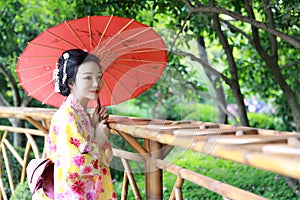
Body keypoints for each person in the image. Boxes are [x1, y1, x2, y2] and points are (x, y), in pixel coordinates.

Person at [32, 49, 117, 200]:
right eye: (87, 78)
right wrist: (99, 139)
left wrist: (94, 124)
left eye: (99, 77)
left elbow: (106, 158)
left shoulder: (81, 114)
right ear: (71, 82)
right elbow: (75, 167)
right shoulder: (67, 117)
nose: (96, 83)